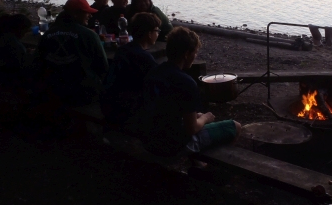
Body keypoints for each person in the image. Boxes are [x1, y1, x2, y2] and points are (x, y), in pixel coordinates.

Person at [140, 26, 241, 158]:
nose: (195, 56)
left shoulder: (154, 72)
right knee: (235, 126)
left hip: (148, 141)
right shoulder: (186, 82)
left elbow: (165, 109)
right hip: (173, 147)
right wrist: (205, 118)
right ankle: (216, 169)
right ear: (187, 54)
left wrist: (193, 116)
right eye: (195, 52)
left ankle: (198, 162)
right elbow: (191, 129)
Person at [36, 0, 109, 106]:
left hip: (51, 89)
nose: (90, 15)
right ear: (75, 14)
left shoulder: (47, 34)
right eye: (86, 13)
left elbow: (38, 62)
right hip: (82, 94)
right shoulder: (89, 35)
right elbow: (103, 67)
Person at [100, 12, 161, 124]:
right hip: (126, 111)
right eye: (157, 31)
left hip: (108, 104)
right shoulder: (145, 58)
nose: (158, 34)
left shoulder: (123, 50)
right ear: (149, 33)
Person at [0, 14, 32, 85]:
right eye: (25, 31)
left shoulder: (2, 37)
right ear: (19, 29)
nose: (25, 34)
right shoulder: (12, 42)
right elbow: (17, 64)